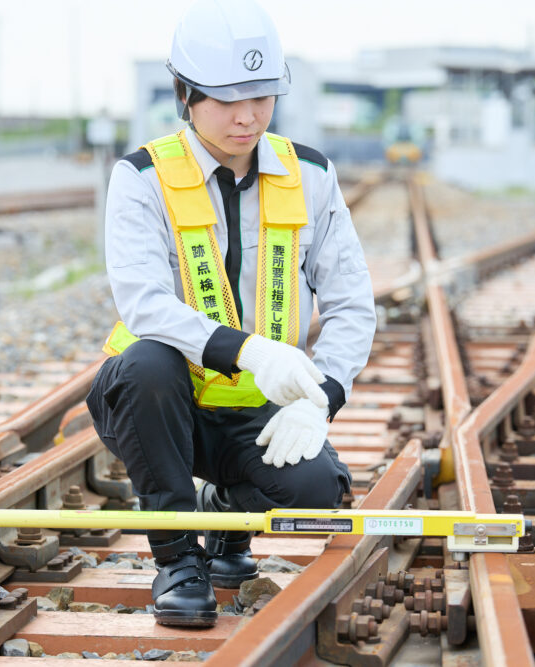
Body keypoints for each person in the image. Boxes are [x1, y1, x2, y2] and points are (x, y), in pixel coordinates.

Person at [86, 0, 375, 628]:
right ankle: (177, 559)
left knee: (318, 493)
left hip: (253, 411)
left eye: (263, 96)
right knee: (146, 363)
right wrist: (249, 350)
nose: (248, 117)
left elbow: (353, 304)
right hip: (160, 403)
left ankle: (222, 510)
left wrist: (323, 393)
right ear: (185, 93)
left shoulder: (313, 176)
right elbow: (144, 303)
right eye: (226, 99)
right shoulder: (141, 177)